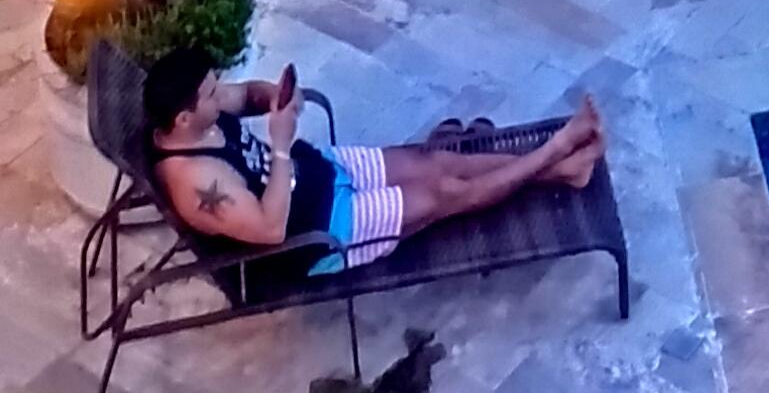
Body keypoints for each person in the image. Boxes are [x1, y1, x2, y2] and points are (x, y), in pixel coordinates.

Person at [145, 50, 604, 286]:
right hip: (322, 234)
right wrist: (281, 144)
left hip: (320, 171)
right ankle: (557, 149)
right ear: (185, 118)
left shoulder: (198, 113)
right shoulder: (195, 183)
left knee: (437, 160)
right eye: (210, 92)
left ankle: (566, 170)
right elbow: (268, 229)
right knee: (446, 192)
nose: (220, 92)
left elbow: (245, 95)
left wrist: (275, 97)